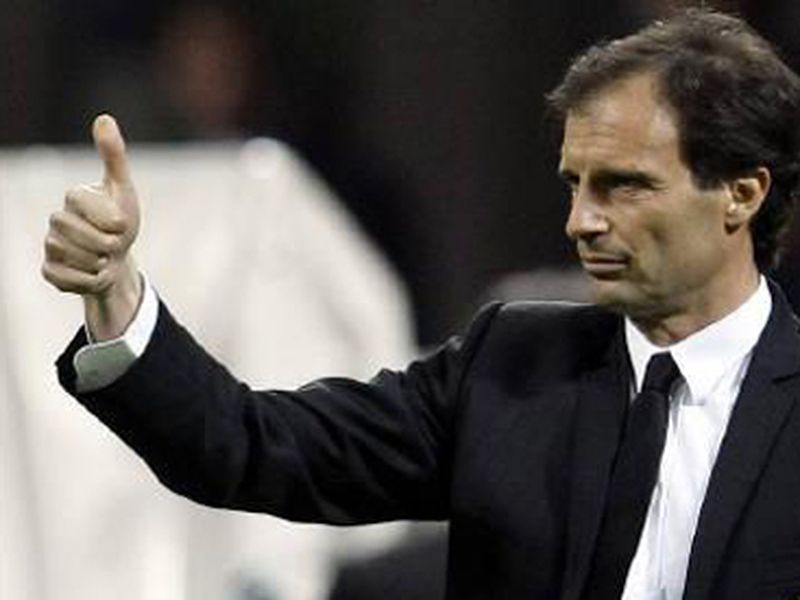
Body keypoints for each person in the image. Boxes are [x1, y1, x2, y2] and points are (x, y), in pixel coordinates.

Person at [43, 9, 800, 599]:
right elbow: (250, 445)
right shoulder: (510, 365)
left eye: (624, 186)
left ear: (741, 194)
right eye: (575, 185)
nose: (581, 221)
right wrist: (117, 293)